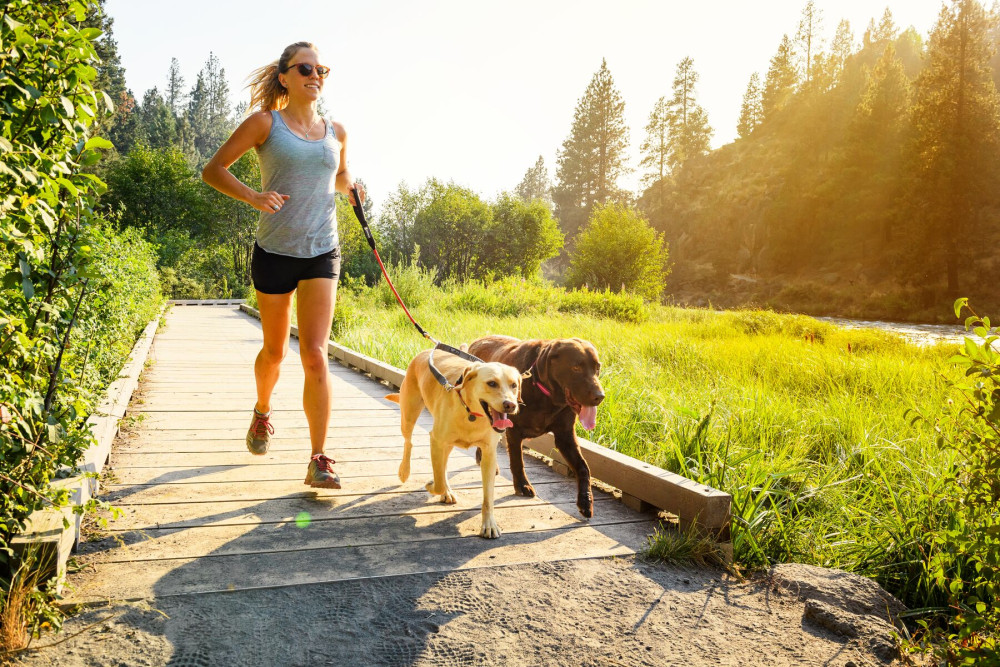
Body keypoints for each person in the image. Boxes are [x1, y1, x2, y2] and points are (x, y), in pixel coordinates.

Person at [202, 41, 364, 488]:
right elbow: (213, 170)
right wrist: (253, 196)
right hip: (274, 251)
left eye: (322, 69)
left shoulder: (337, 131)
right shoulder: (263, 124)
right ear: (285, 77)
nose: (316, 76)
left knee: (315, 354)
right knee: (275, 352)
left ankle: (319, 458)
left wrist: (351, 186)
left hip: (322, 250)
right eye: (307, 68)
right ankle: (262, 412)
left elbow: (340, 174)